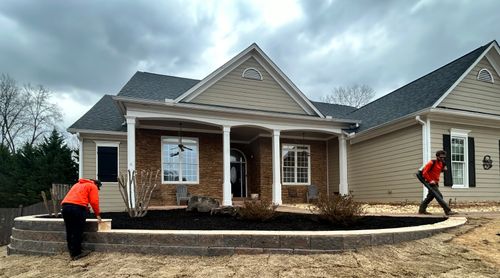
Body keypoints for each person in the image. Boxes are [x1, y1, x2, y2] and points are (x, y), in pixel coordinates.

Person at [61, 178, 102, 260]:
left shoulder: (77, 184)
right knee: (77, 231)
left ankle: (72, 252)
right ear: (96, 184)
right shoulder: (92, 186)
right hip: (77, 209)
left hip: (65, 208)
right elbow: (94, 201)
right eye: (98, 188)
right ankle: (76, 254)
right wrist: (97, 214)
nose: (97, 190)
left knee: (69, 230)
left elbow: (75, 198)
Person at [418, 150, 458, 216]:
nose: (442, 158)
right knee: (439, 196)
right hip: (430, 183)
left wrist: (443, 169)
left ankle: (422, 210)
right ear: (437, 157)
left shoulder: (442, 163)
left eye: (443, 157)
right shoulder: (431, 162)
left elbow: (436, 171)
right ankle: (448, 211)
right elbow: (424, 172)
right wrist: (430, 180)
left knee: (430, 197)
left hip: (436, 183)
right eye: (441, 157)